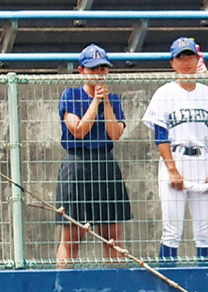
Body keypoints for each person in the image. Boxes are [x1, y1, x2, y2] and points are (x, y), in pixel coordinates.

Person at [142, 37, 208, 266]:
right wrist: (172, 169)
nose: (185, 62)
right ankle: (169, 280)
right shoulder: (164, 93)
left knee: (205, 230)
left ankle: (207, 280)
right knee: (172, 229)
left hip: (202, 158)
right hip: (176, 156)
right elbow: (160, 136)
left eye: (189, 56)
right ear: (172, 62)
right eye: (180, 57)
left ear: (197, 59)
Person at [55, 44, 131, 269]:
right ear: (82, 71)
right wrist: (94, 102)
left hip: (104, 162)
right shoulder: (70, 95)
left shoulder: (113, 100)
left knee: (112, 236)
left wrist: (105, 102)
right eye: (93, 69)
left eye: (103, 69)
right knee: (71, 236)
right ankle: (64, 282)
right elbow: (77, 130)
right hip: (77, 163)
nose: (99, 73)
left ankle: (117, 283)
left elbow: (115, 133)